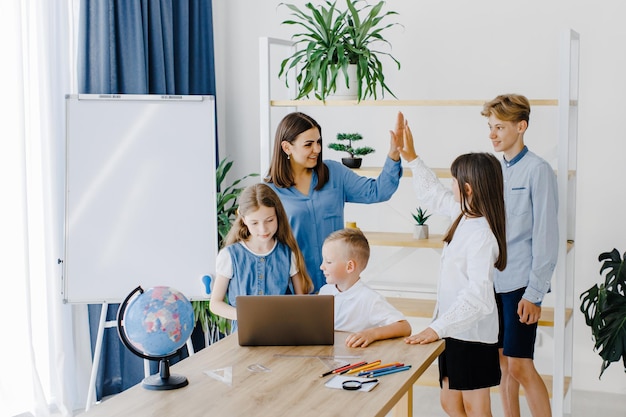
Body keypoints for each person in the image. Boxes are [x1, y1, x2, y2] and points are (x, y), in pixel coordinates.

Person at [398, 116, 507, 417]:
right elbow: (433, 194)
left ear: (468, 188)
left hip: (470, 334)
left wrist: (436, 328)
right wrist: (412, 158)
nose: (450, 185)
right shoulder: (463, 213)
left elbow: (479, 297)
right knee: (449, 402)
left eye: (454, 180)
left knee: (475, 407)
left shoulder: (482, 234)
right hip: (453, 330)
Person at [265, 111, 404, 293]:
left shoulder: (335, 173)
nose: (317, 149)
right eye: (309, 144)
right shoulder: (269, 192)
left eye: (318, 142)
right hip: (295, 288)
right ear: (286, 147)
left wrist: (394, 153)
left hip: (337, 285)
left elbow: (377, 191)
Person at [481, 94, 558, 417]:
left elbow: (546, 237)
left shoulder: (538, 171)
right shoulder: (493, 171)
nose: (492, 134)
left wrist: (535, 293)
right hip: (493, 284)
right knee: (503, 365)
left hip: (520, 286)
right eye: (490, 127)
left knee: (521, 365)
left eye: (499, 127)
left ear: (521, 126)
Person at [209, 183, 314, 322]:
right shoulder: (229, 255)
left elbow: (302, 302)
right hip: (242, 336)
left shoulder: (288, 254)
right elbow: (215, 304)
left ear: (278, 215)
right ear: (244, 219)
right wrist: (244, 316)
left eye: (269, 220)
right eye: (254, 223)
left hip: (279, 334)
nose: (263, 229)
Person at [319, 228, 411, 348]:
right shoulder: (325, 290)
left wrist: (371, 334)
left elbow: (404, 327)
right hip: (324, 355)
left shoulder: (369, 299)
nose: (322, 266)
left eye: (328, 262)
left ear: (350, 266)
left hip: (353, 359)